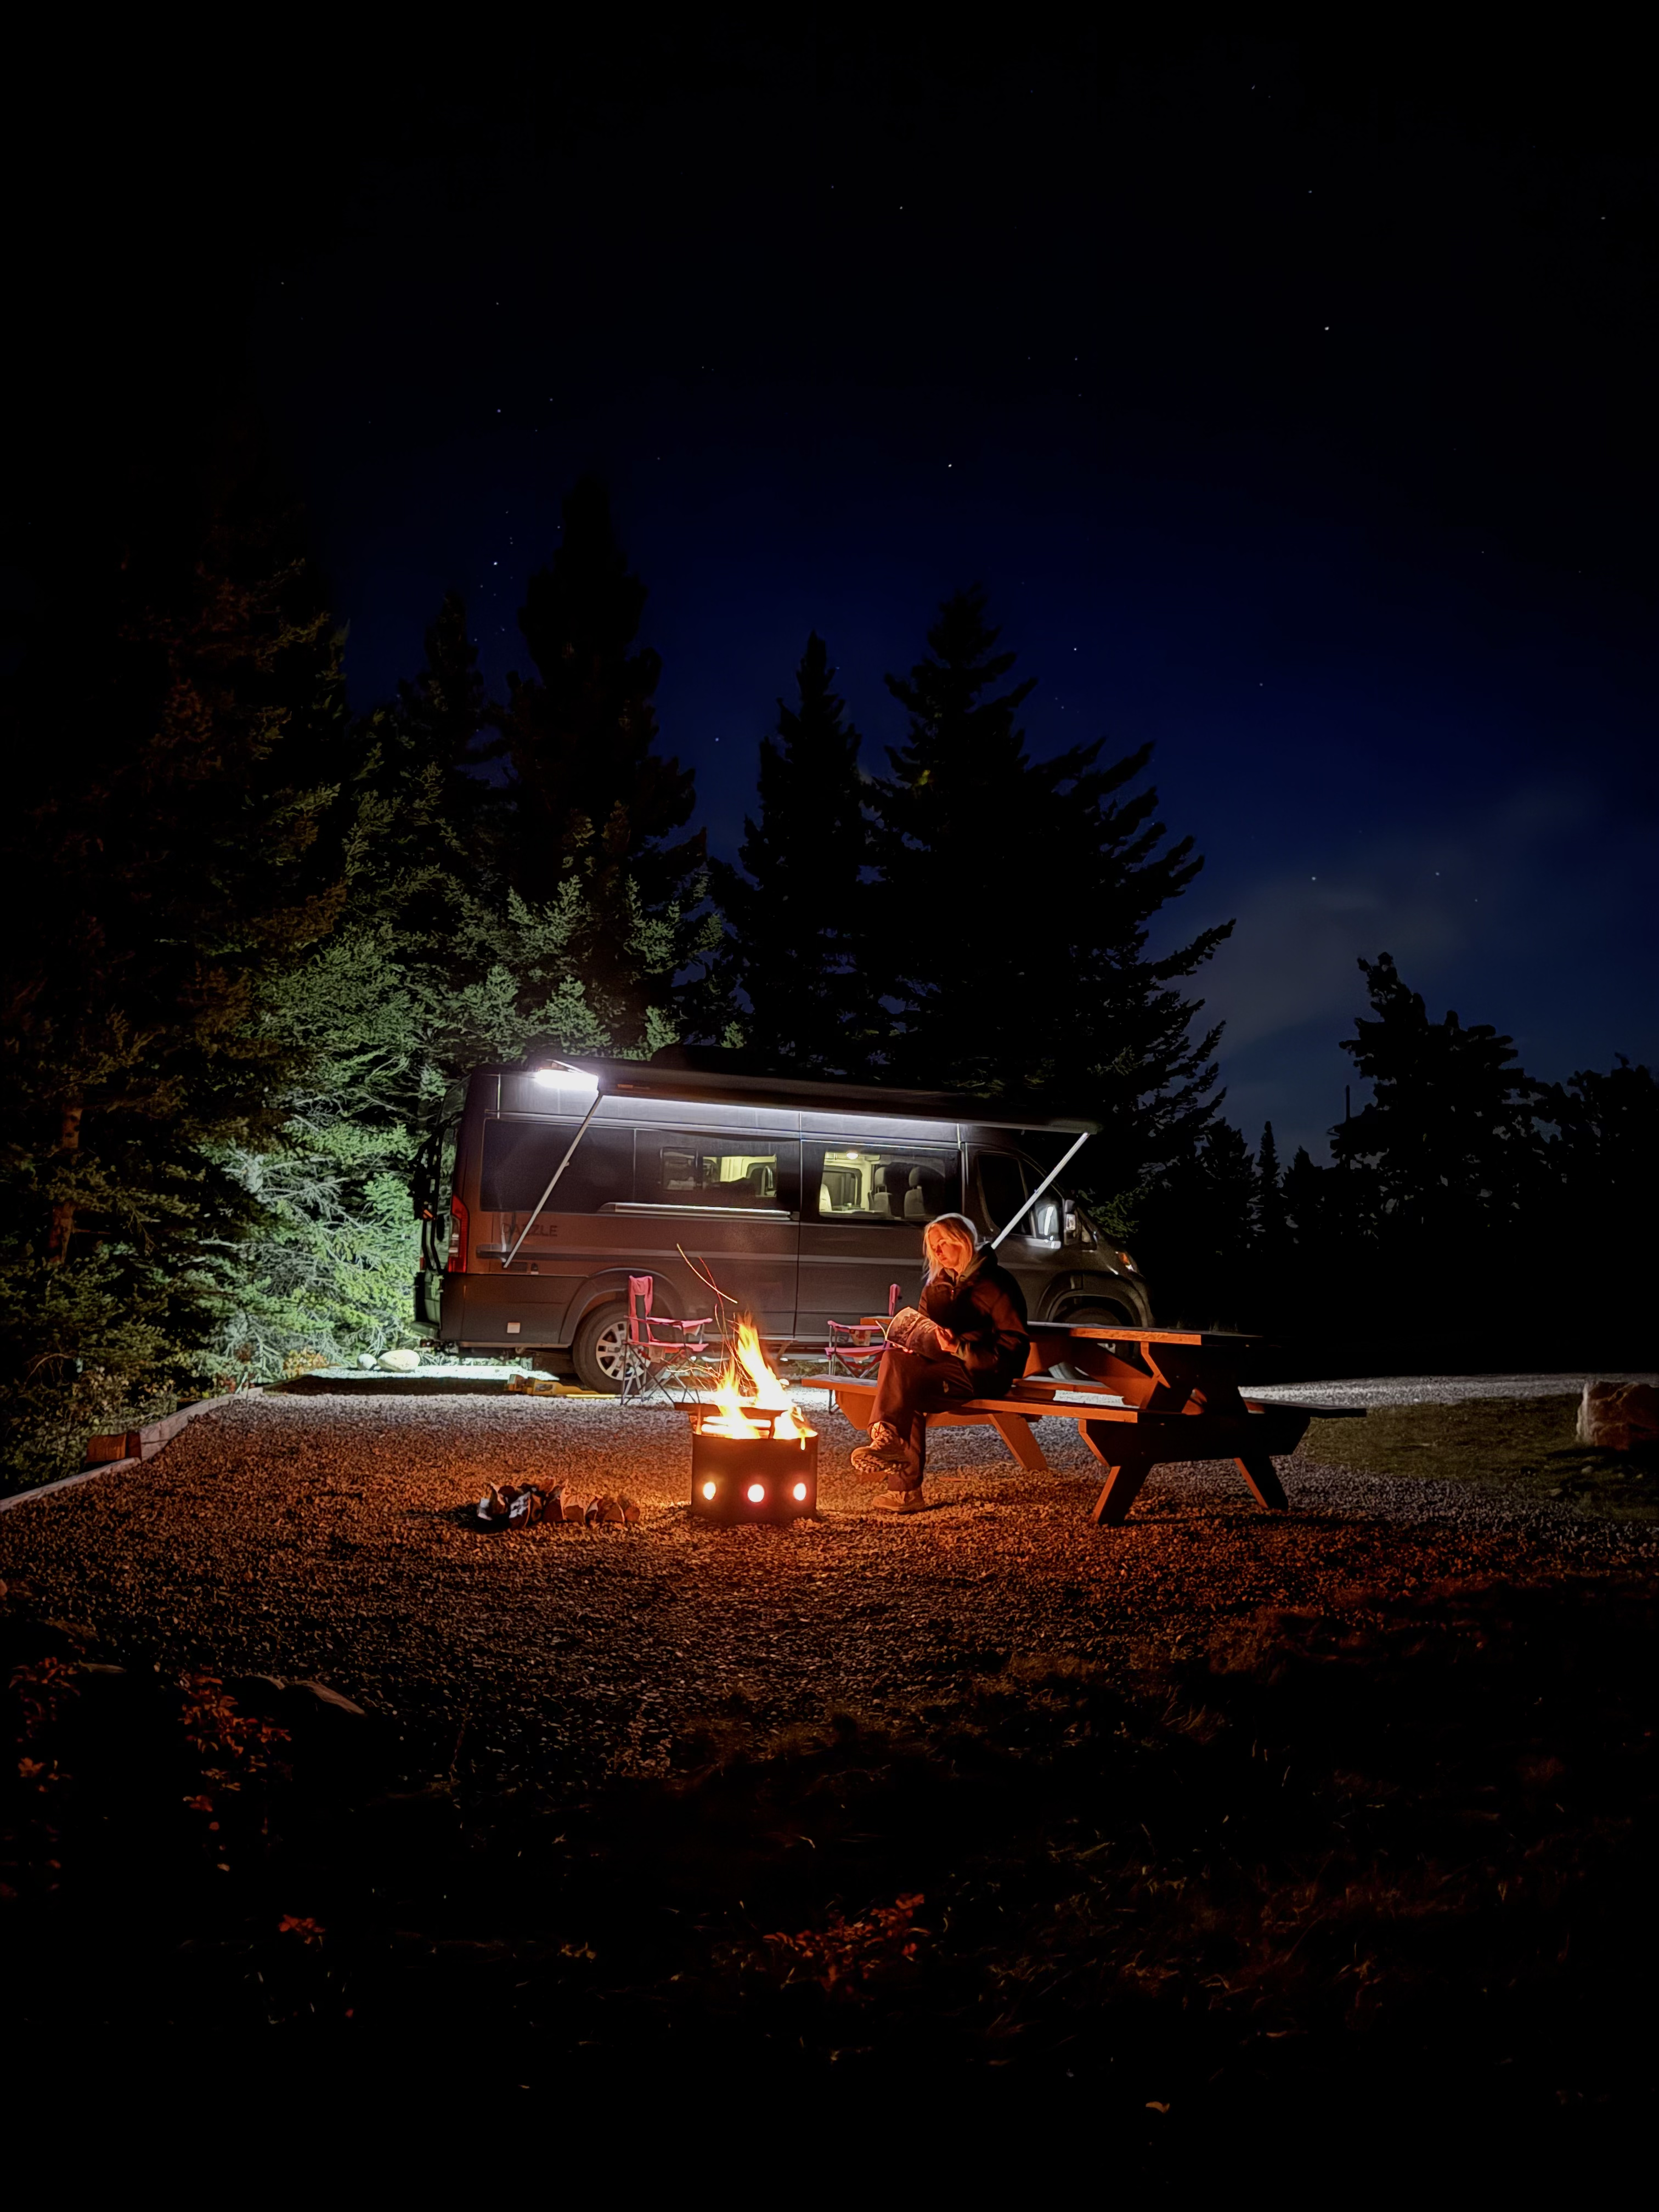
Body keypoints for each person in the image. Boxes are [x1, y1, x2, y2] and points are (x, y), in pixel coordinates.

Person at [850, 1212, 1030, 1511]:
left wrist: (960, 1347)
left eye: (944, 1243)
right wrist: (914, 1345)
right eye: (933, 1246)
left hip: (981, 1373)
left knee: (903, 1393)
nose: (937, 1252)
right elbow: (925, 1329)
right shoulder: (937, 1286)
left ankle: (903, 1486)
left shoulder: (997, 1284)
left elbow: (1014, 1346)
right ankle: (887, 1442)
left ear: (964, 1241)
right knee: (896, 1361)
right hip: (941, 1368)